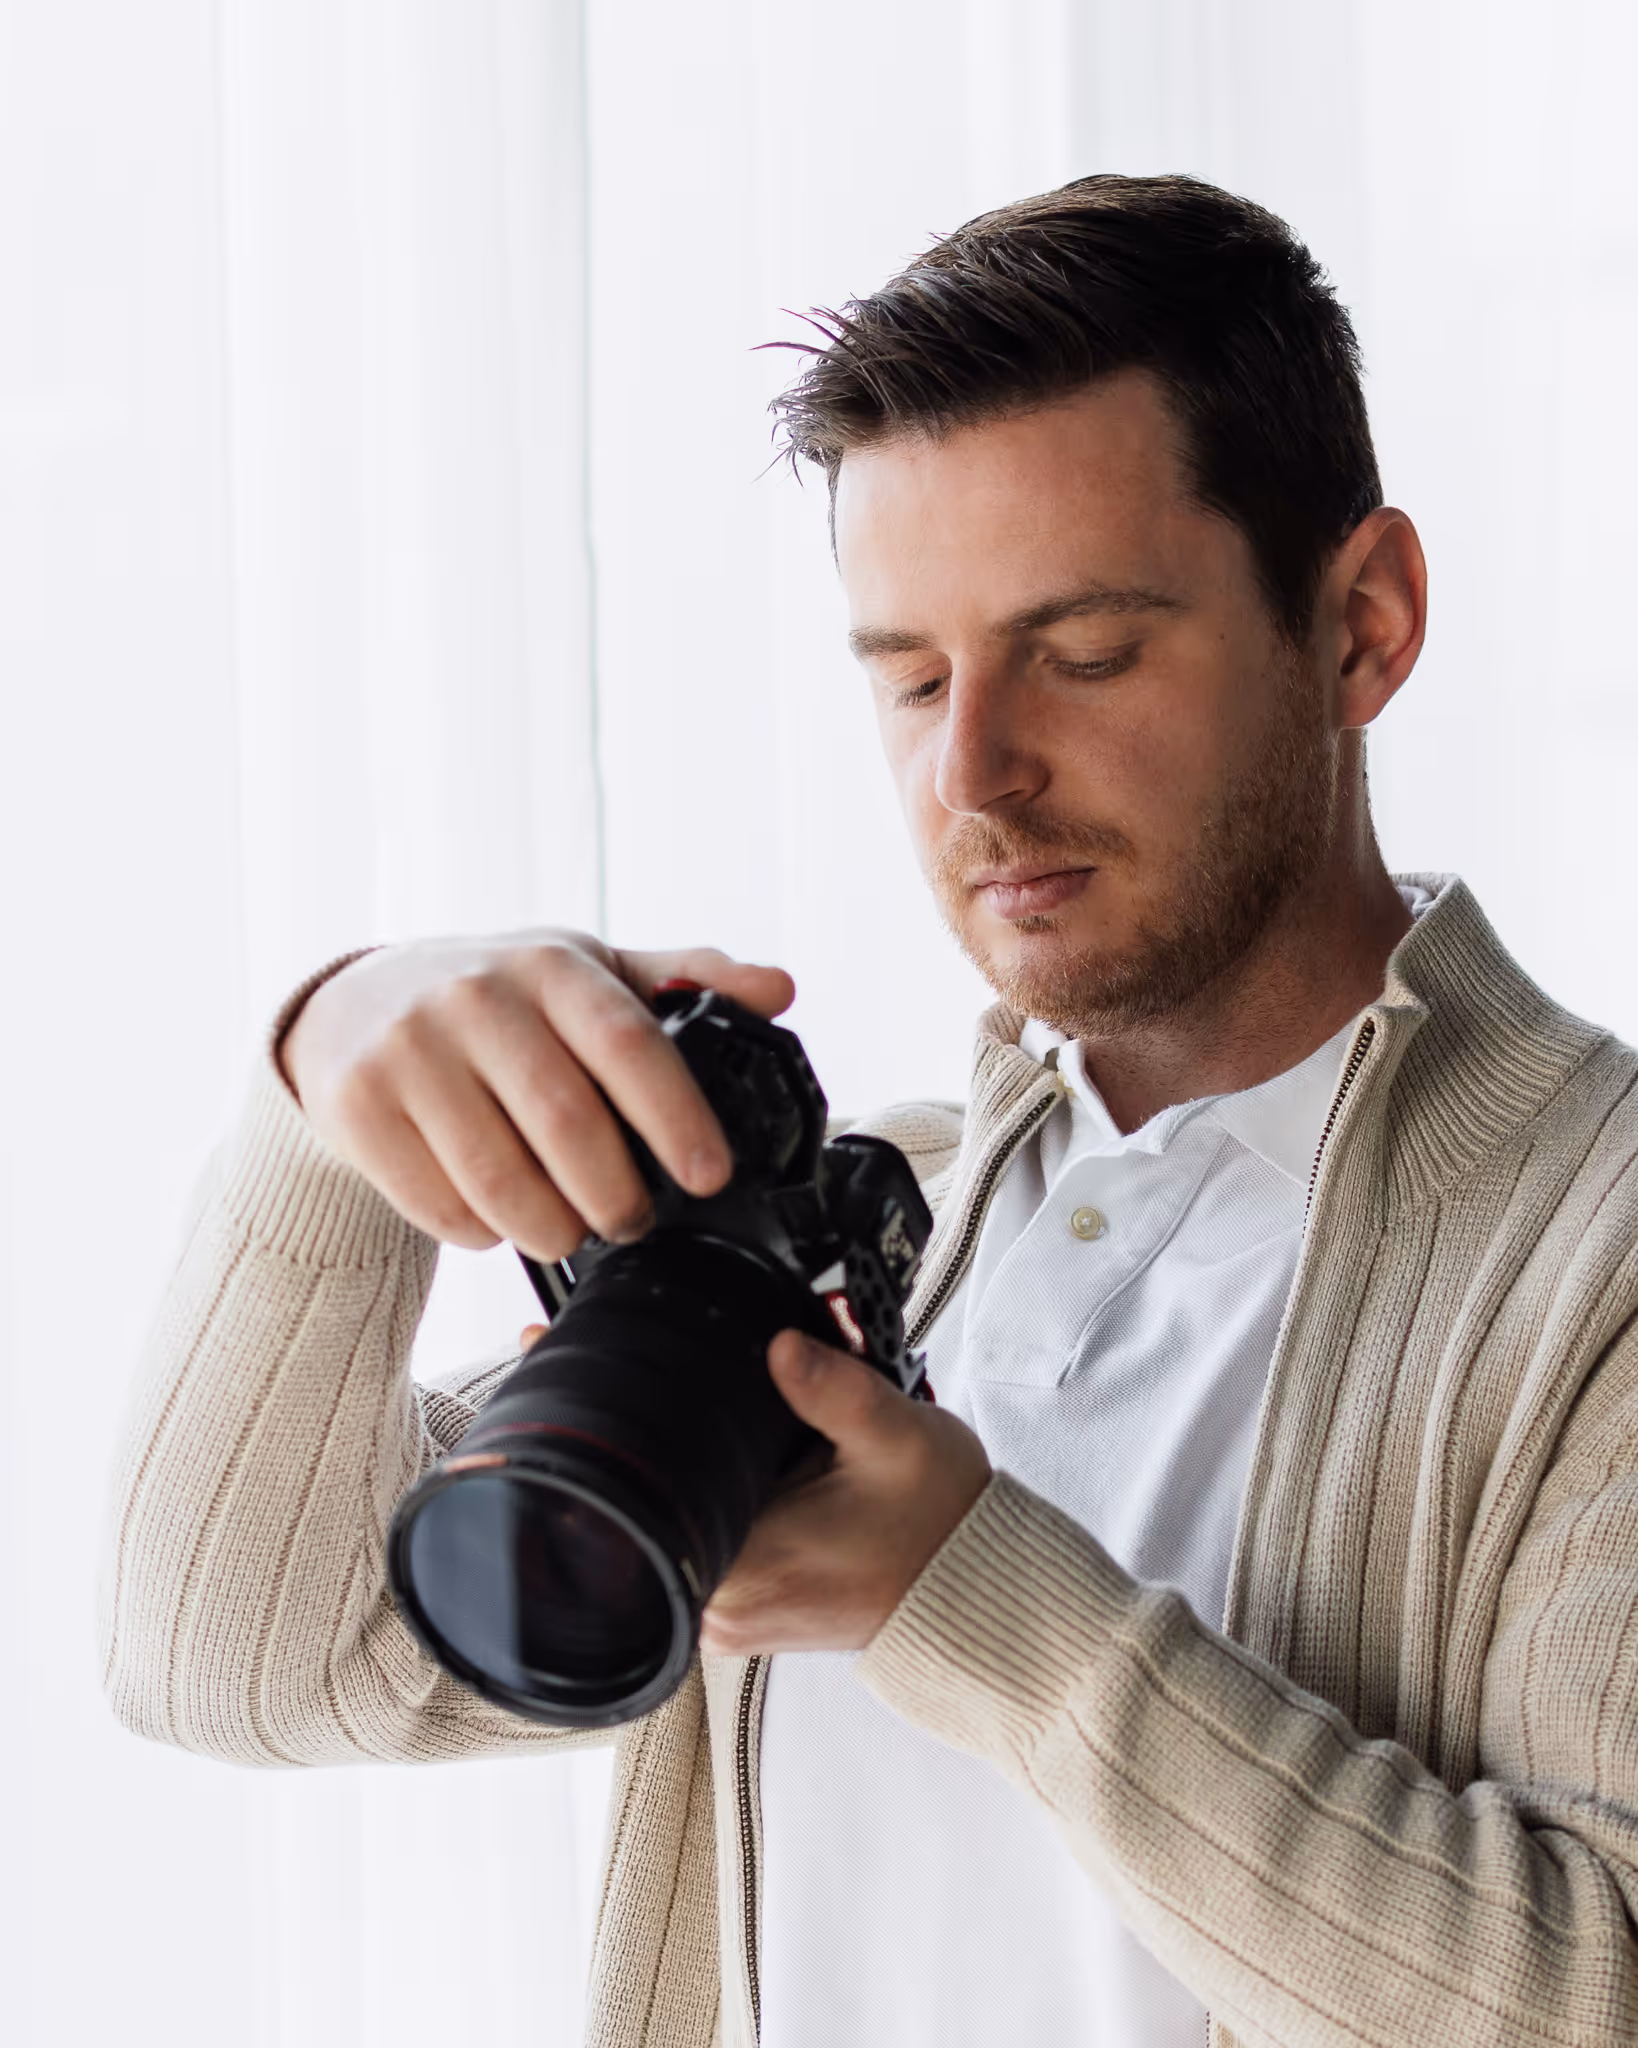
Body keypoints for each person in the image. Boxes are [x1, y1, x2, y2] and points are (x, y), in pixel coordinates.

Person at [100, 174, 1638, 2048]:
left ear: (1363, 623)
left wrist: (969, 1593)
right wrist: (323, 1098)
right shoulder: (873, 1237)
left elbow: (1591, 1991)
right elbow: (241, 1667)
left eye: (1081, 654)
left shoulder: (1595, 1240)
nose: (971, 771)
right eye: (907, 677)